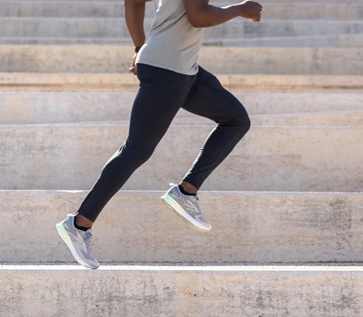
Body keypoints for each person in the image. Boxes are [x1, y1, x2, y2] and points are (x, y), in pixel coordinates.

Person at [56, 0, 262, 269]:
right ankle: (79, 225)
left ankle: (186, 192)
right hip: (169, 70)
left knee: (236, 120)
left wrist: (141, 48)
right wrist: (241, 9)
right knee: (136, 150)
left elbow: (134, 3)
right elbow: (198, 16)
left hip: (181, 68)